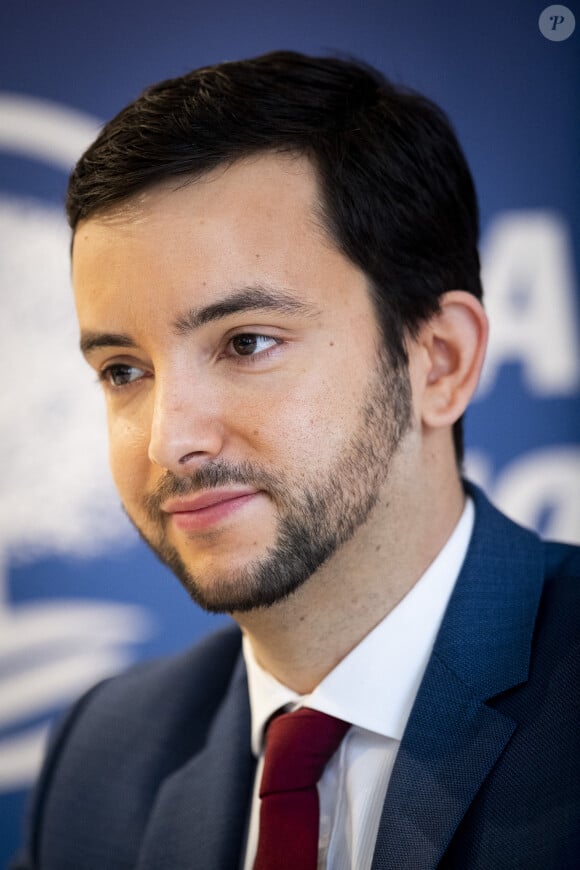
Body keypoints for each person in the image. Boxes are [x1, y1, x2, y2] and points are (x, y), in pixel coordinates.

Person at [14, 51, 579, 870]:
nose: (171, 440)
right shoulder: (102, 759)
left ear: (440, 361)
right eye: (123, 372)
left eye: (247, 343)